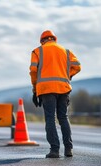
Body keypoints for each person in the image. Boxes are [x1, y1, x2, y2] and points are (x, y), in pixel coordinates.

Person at [29, 30, 81, 158]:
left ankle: (54, 150)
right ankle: (69, 149)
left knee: (50, 118)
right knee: (63, 117)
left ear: (42, 41)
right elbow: (77, 66)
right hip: (63, 88)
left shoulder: (37, 51)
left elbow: (33, 71)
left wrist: (35, 90)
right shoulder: (66, 51)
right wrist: (66, 75)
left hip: (46, 89)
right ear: (54, 39)